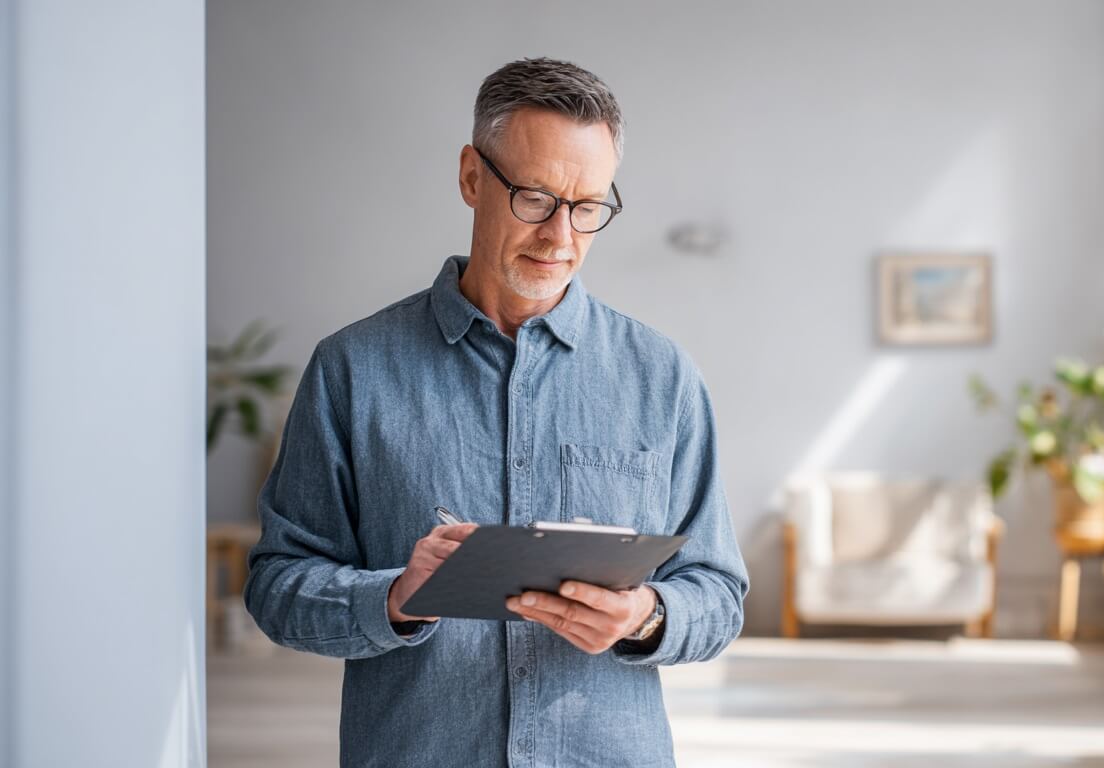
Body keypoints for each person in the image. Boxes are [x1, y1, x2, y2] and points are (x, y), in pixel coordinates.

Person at [245, 57, 748, 767]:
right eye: (536, 199)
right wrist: (395, 597)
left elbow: (719, 594)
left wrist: (646, 615)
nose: (561, 238)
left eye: (587, 207)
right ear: (472, 177)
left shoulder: (662, 377)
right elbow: (277, 587)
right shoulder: (352, 370)